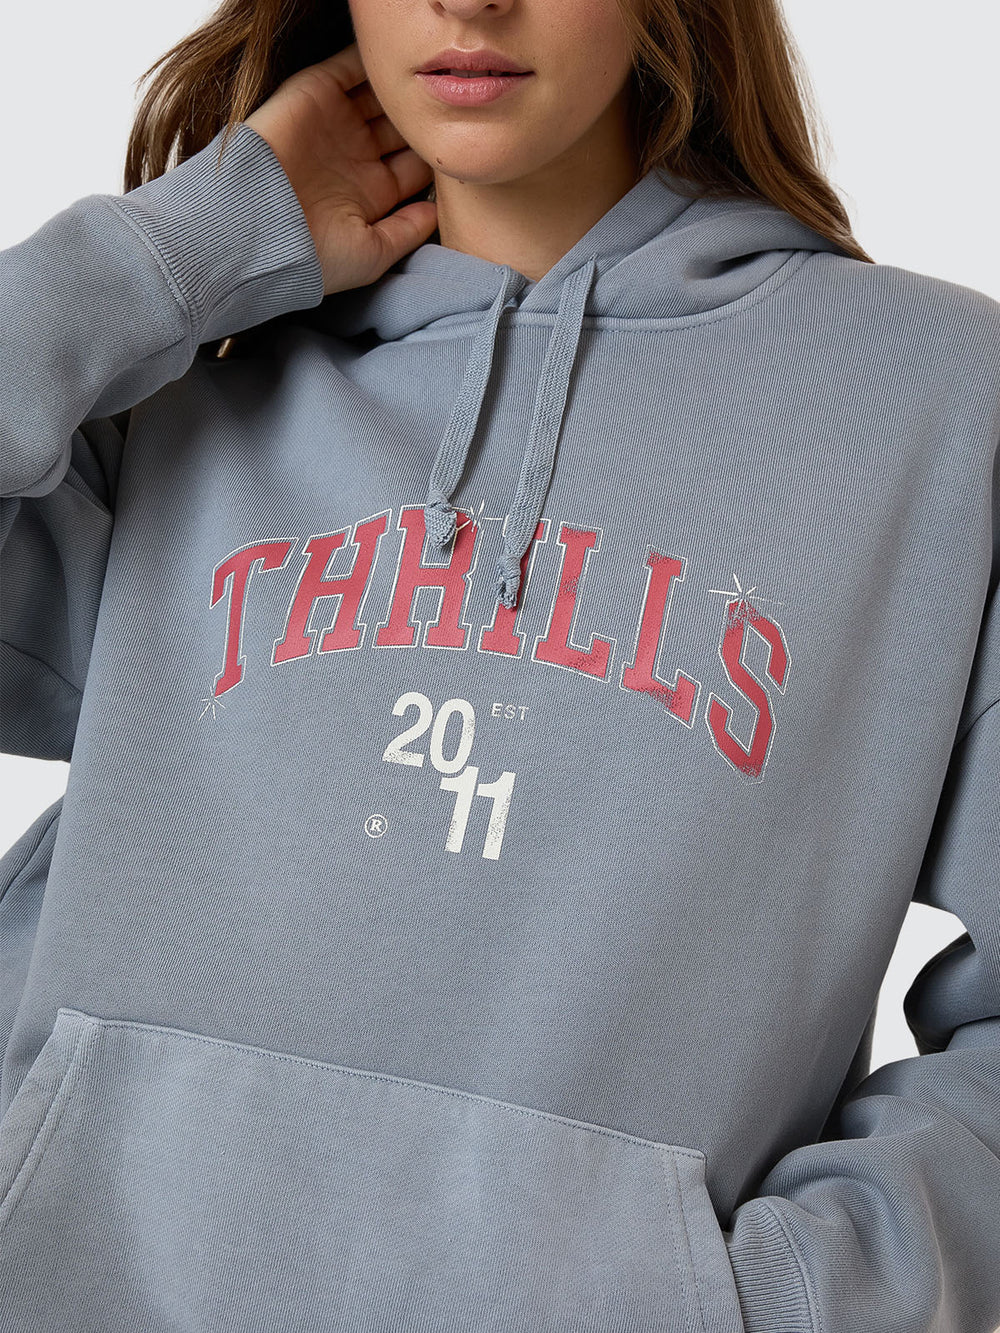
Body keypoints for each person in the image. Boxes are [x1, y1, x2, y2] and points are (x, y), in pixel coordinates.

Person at [0, 0, 997, 1327]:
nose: (469, 4)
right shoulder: (183, 379)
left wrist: (789, 1297)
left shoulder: (932, 402)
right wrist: (179, 250)